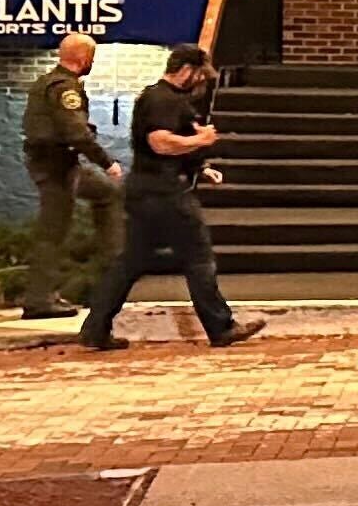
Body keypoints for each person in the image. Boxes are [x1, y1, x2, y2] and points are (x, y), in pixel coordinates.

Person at [81, 42, 248, 352]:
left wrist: (201, 166)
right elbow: (161, 143)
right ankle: (221, 327)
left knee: (130, 262)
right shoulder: (164, 100)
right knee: (199, 258)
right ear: (186, 70)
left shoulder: (160, 98)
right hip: (164, 192)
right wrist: (202, 140)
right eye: (199, 75)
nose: (202, 82)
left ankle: (95, 328)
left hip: (146, 190)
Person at [17, 30, 124, 320]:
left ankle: (116, 268)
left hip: (58, 163)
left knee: (107, 193)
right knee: (52, 233)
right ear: (83, 57)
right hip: (56, 167)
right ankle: (39, 300)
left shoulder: (46, 81)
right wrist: (108, 162)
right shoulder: (65, 88)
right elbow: (75, 132)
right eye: (92, 56)